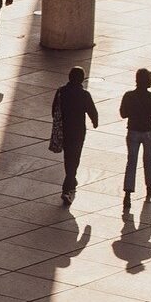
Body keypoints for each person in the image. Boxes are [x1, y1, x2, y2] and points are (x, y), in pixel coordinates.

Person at [53, 66, 98, 205]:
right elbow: (92, 112)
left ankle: (71, 179)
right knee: (75, 158)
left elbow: (54, 110)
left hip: (65, 130)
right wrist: (95, 122)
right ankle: (67, 188)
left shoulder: (61, 92)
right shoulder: (84, 95)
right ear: (82, 79)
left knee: (68, 157)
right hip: (78, 131)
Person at [120, 69, 151, 208]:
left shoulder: (128, 96)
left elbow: (123, 114)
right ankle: (149, 185)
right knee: (148, 159)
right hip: (148, 131)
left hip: (133, 130)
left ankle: (128, 193)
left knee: (131, 161)